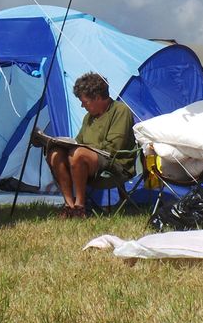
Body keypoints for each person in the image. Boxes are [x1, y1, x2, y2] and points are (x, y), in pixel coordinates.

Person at [34, 73, 135, 218]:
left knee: (79, 154)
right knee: (56, 153)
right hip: (88, 162)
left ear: (98, 98)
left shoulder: (120, 111)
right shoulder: (89, 118)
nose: (82, 106)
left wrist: (82, 148)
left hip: (115, 164)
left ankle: (80, 206)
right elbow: (78, 141)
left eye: (85, 102)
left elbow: (114, 147)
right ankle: (69, 205)